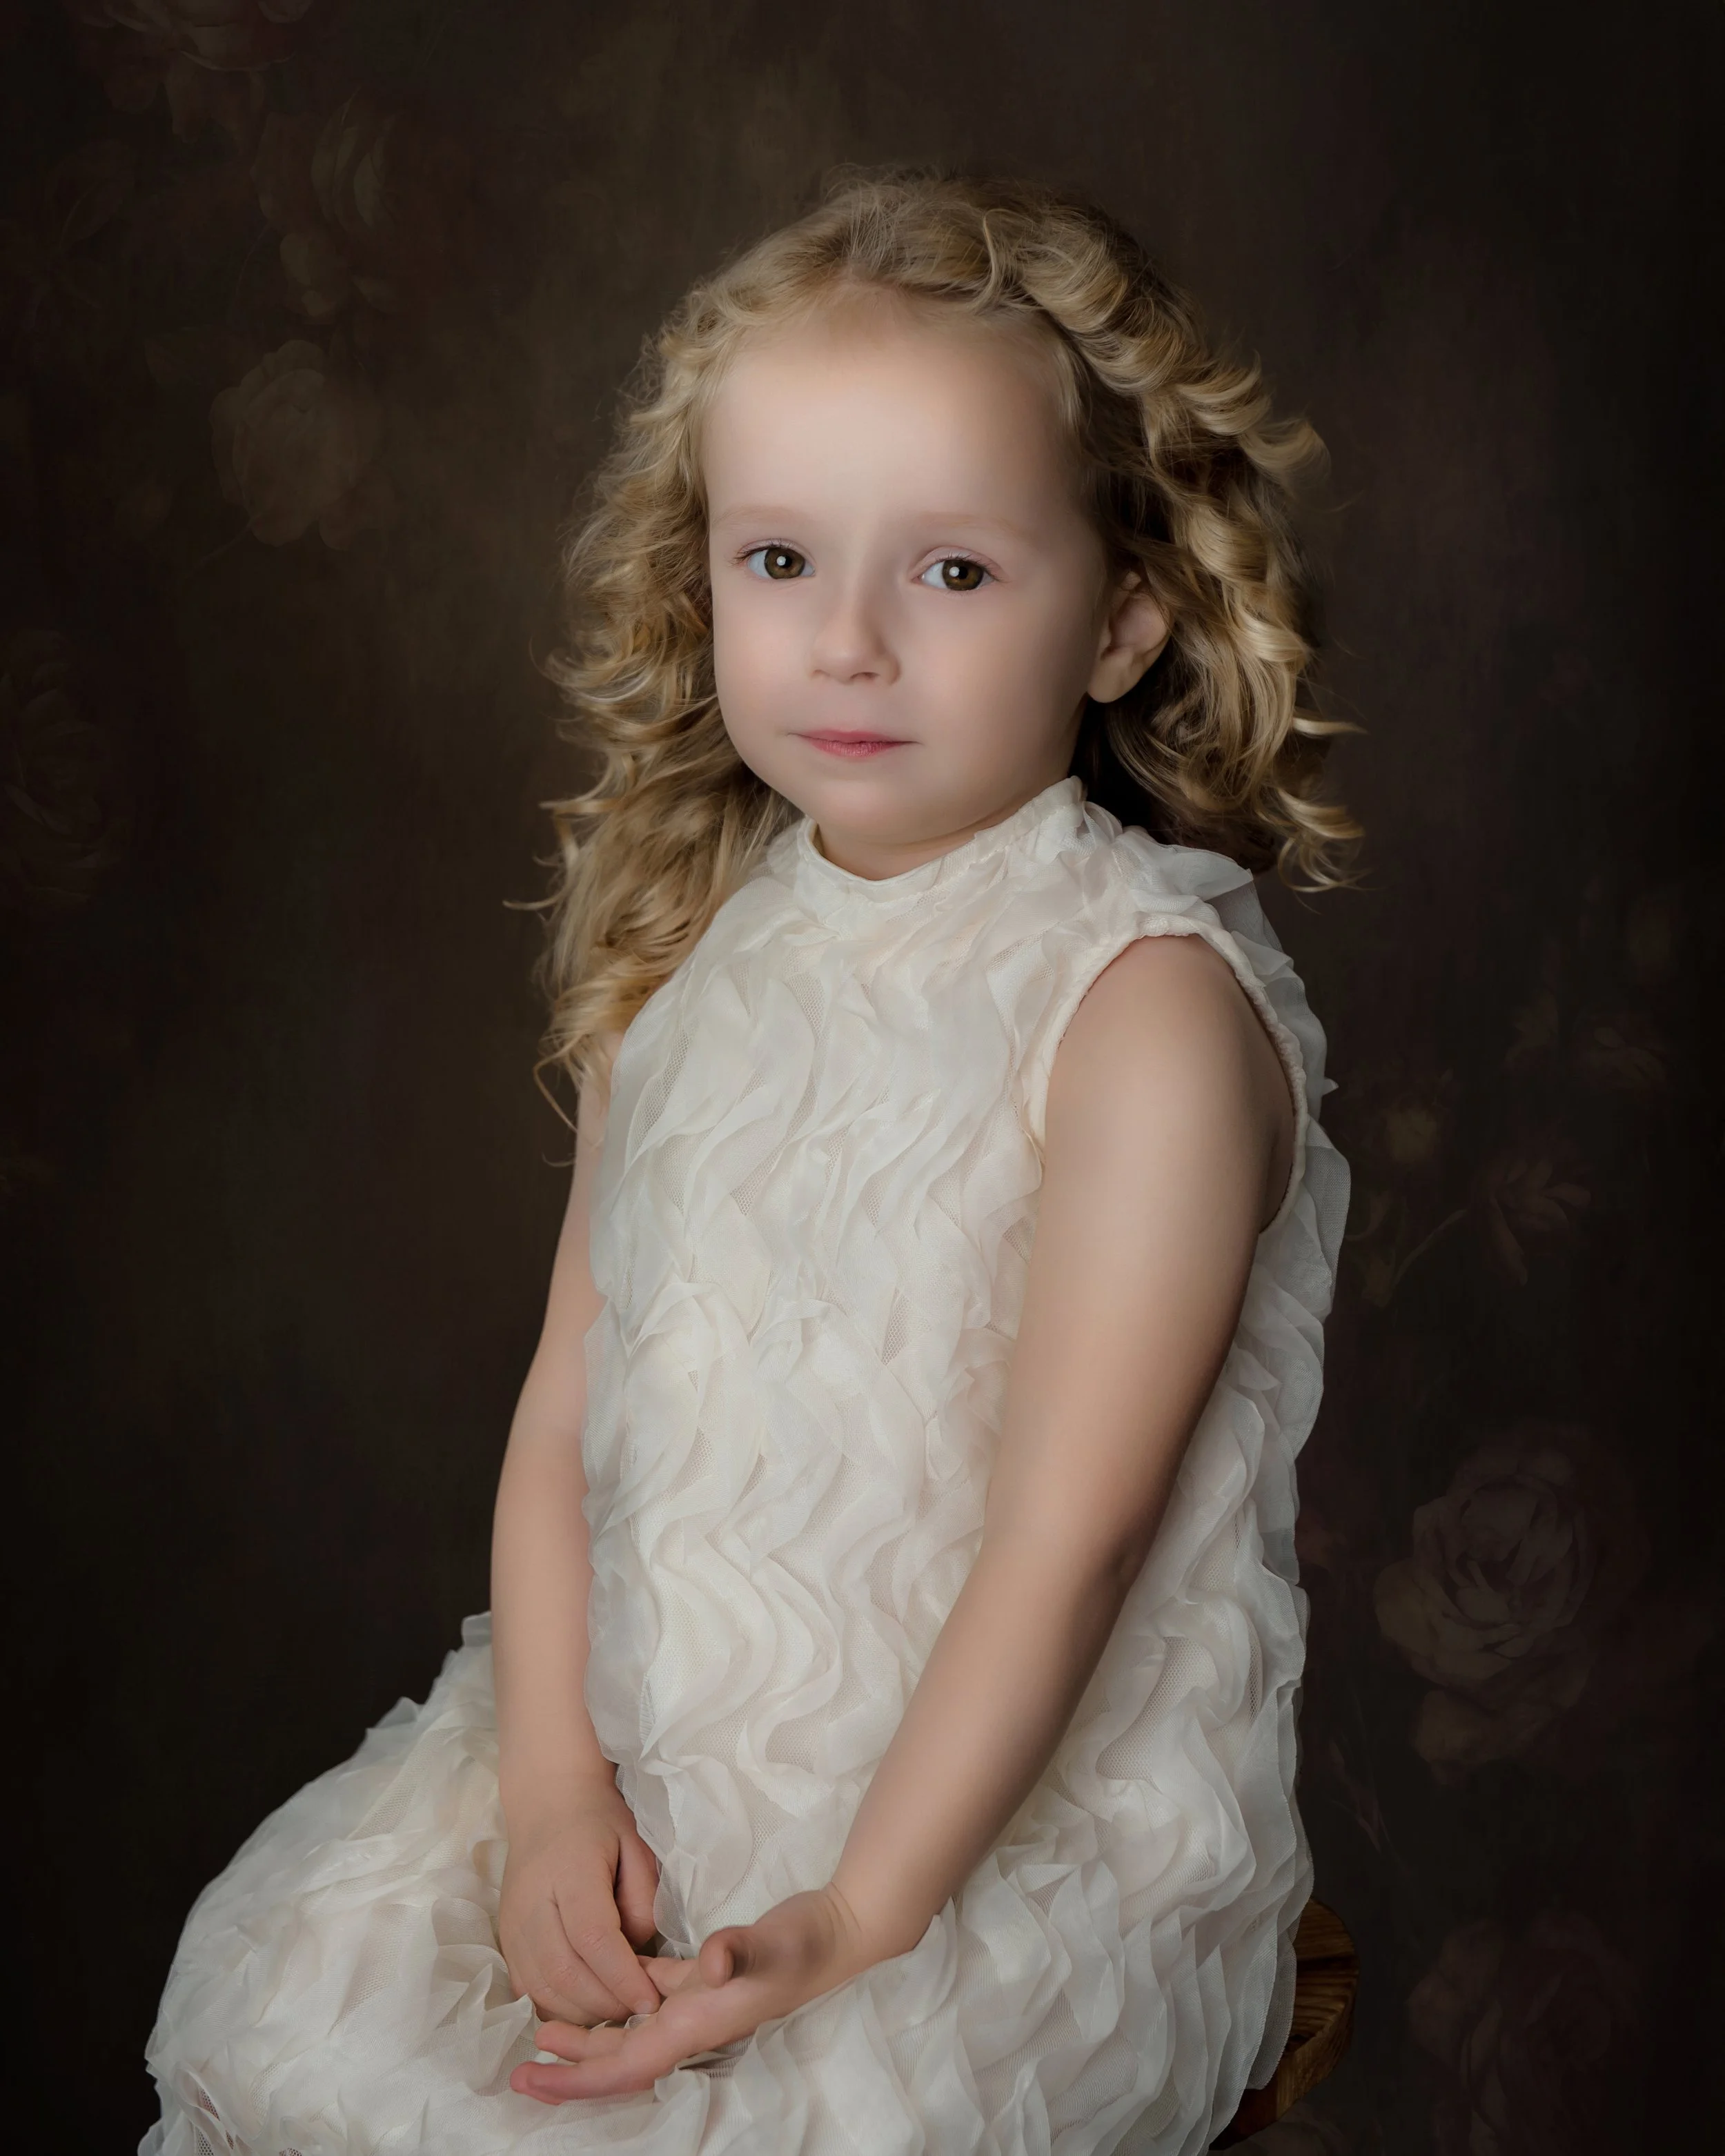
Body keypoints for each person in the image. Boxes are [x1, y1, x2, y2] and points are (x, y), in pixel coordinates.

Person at [142, 167, 1358, 2155]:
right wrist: (551, 1789)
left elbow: (1070, 1542)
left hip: (976, 1837)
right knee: (310, 2018)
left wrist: (854, 1915)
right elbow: (566, 1413)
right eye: (779, 557)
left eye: (952, 572)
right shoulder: (682, 964)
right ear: (698, 574)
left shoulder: (1137, 1011)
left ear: (1125, 612)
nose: (851, 642)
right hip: (637, 1752)